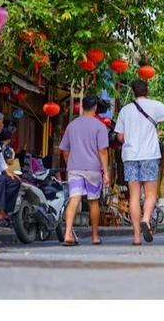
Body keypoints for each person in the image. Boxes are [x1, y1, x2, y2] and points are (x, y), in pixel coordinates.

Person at [114, 79, 164, 246]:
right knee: (151, 194)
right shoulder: (155, 106)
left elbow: (120, 137)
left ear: (134, 92)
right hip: (149, 155)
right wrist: (159, 121)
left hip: (130, 156)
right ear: (147, 91)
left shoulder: (125, 110)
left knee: (134, 196)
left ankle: (136, 237)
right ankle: (146, 219)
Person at [58, 94, 110, 246]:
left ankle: (68, 234)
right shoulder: (100, 126)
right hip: (93, 170)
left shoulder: (72, 125)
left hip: (75, 168)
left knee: (74, 198)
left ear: (82, 107)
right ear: (94, 108)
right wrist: (105, 172)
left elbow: (64, 149)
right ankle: (94, 236)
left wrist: (70, 163)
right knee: (93, 201)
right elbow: (103, 151)